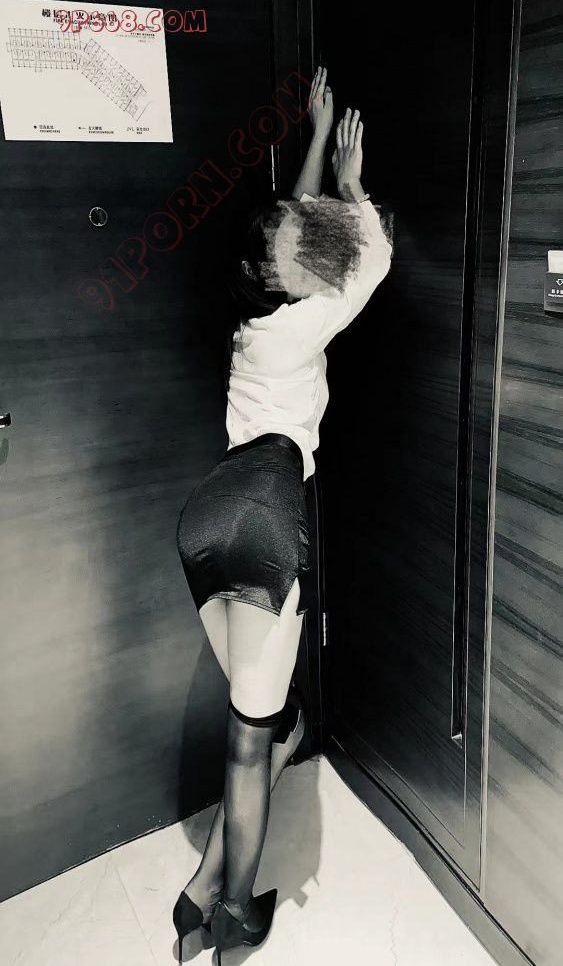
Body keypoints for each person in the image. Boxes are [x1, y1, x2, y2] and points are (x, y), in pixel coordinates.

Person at [173, 67, 392, 964]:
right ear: (296, 273)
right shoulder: (305, 322)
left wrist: (312, 136)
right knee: (251, 740)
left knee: (260, 719)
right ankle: (233, 918)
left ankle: (198, 891)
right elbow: (372, 263)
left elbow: (285, 223)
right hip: (265, 512)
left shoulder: (253, 315)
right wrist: (350, 183)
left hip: (205, 515)